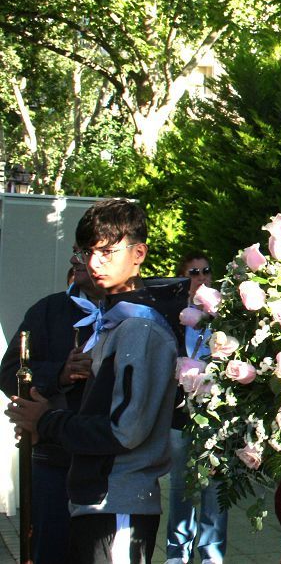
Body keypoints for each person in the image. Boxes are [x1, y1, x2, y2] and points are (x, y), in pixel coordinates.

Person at [5, 198, 186, 564]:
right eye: (88, 252)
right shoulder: (114, 321)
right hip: (93, 495)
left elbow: (125, 431)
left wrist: (46, 420)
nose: (94, 262)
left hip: (119, 500)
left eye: (107, 251)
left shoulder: (140, 327)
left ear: (139, 254)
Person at [0, 246, 104, 563]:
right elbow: (9, 373)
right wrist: (59, 373)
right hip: (53, 462)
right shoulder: (48, 310)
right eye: (76, 251)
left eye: (89, 251)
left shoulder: (134, 314)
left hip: (110, 467)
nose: (78, 259)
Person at [165, 252, 228, 564]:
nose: (201, 276)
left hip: (218, 413)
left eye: (206, 270)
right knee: (181, 484)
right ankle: (177, 551)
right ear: (184, 277)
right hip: (181, 412)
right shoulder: (174, 315)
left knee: (216, 484)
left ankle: (211, 554)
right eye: (194, 272)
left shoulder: (228, 315)